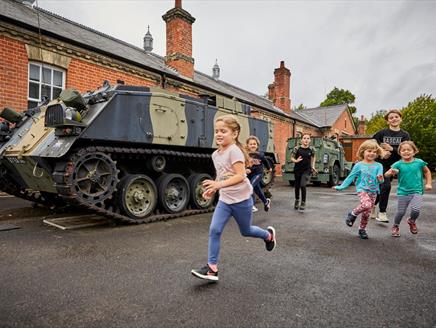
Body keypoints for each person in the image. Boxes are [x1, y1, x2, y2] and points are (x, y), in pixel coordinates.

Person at [191, 115, 276, 282]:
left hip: (242, 200)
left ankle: (268, 236)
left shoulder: (234, 151)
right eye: (216, 131)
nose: (219, 134)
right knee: (214, 230)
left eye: (223, 131)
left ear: (235, 133)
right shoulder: (216, 154)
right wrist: (213, 188)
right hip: (225, 200)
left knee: (246, 231)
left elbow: (240, 175)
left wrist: (218, 185)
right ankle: (212, 269)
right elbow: (221, 175)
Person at [333, 140, 384, 239]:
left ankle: (362, 229)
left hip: (373, 191)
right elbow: (350, 177)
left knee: (366, 213)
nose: (372, 153)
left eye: (374, 151)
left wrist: (380, 179)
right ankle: (353, 214)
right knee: (366, 204)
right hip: (362, 189)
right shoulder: (359, 165)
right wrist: (341, 186)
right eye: (369, 151)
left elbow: (381, 181)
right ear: (363, 152)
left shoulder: (379, 166)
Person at [384, 141, 432, 237]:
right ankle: (395, 226)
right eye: (403, 150)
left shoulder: (419, 162)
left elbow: (427, 172)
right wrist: (391, 172)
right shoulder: (398, 164)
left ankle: (411, 221)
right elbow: (386, 174)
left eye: (409, 150)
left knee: (416, 210)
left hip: (417, 190)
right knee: (401, 212)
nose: (406, 152)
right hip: (403, 192)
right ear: (400, 152)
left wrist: (428, 183)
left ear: (414, 151)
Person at [372, 109, 410, 222]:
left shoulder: (405, 135)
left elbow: (406, 150)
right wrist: (382, 152)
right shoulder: (382, 133)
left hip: (395, 165)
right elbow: (371, 143)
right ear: (388, 121)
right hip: (381, 164)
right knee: (386, 186)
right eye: (391, 118)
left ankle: (372, 205)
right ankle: (382, 212)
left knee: (382, 188)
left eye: (396, 117)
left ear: (400, 119)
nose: (394, 119)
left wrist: (391, 149)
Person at [290, 133, 317, 211]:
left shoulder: (312, 149)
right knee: (297, 186)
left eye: (308, 138)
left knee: (303, 185)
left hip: (307, 170)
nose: (306, 140)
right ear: (301, 140)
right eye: (304, 138)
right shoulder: (297, 148)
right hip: (297, 170)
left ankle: (303, 202)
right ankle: (297, 200)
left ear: (310, 140)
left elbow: (313, 157)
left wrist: (313, 166)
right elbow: (291, 158)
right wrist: (296, 160)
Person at [246, 135, 272, 213]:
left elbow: (265, 161)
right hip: (249, 175)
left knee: (250, 186)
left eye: (254, 144)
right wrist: (245, 169)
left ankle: (252, 205)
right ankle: (266, 202)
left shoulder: (260, 154)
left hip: (258, 174)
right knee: (257, 190)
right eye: (251, 144)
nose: (253, 145)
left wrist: (269, 168)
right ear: (247, 145)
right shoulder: (246, 154)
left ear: (257, 145)